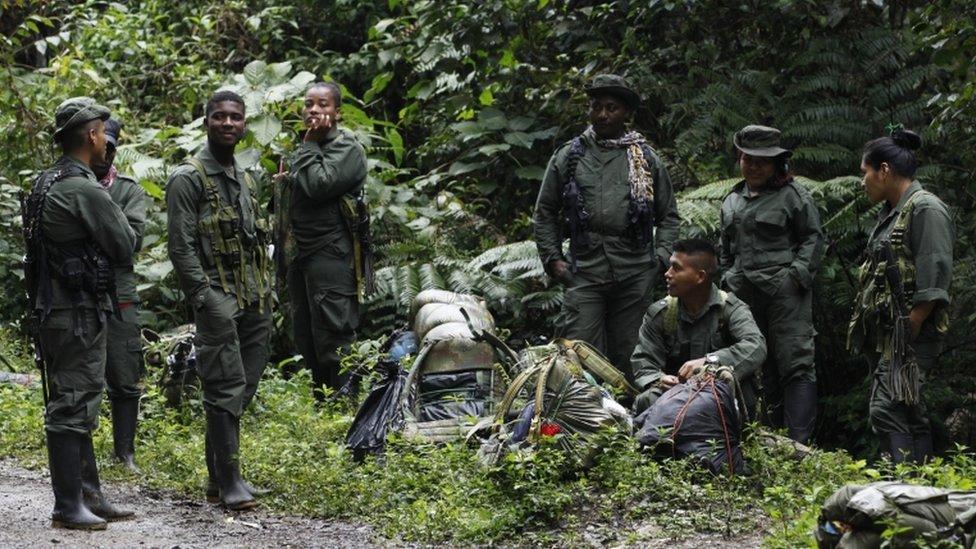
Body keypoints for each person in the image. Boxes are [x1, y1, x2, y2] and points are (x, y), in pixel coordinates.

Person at [22, 97, 136, 529]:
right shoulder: (83, 188)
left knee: (76, 399)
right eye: (104, 131)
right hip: (76, 312)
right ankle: (68, 506)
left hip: (55, 308)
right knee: (73, 403)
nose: (107, 140)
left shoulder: (45, 181)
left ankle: (90, 495)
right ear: (92, 135)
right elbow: (124, 244)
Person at [533, 74, 680, 382]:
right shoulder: (569, 155)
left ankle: (634, 418)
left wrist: (661, 260)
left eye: (611, 108)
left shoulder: (645, 158)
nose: (602, 114)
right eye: (596, 107)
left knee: (632, 349)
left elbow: (668, 215)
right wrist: (553, 259)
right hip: (585, 266)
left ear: (626, 114)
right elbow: (545, 211)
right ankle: (587, 419)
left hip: (635, 268)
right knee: (578, 348)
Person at [166, 90, 273, 510]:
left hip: (254, 297)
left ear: (244, 124)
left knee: (243, 384)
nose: (228, 124)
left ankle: (218, 478)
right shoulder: (187, 178)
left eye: (235, 118)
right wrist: (204, 297)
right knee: (223, 385)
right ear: (206, 121)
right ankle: (229, 481)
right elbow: (181, 245)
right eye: (219, 117)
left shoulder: (246, 177)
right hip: (217, 298)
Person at [848, 129, 953, 464]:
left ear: (884, 170)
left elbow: (935, 269)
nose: (862, 182)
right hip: (893, 330)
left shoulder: (926, 209)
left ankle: (902, 483)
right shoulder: (893, 212)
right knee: (908, 407)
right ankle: (922, 482)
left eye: (865, 173)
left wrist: (915, 320)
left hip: (909, 331)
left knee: (886, 407)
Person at [719, 124, 824, 443]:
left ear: (776, 163)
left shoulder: (793, 196)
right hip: (743, 296)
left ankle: (799, 444)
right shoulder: (732, 199)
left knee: (795, 364)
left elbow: (814, 237)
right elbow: (725, 246)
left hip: (785, 294)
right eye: (747, 159)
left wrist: (797, 275)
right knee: (756, 366)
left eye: (761, 161)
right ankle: (768, 440)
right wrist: (725, 278)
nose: (753, 166)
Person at [275, 81, 368, 401]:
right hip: (302, 254)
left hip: (331, 252)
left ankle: (346, 404)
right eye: (309, 104)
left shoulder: (347, 149)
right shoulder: (306, 147)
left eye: (323, 104)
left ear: (337, 112)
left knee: (335, 330)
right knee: (306, 333)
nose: (314, 110)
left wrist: (310, 145)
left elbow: (319, 184)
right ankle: (322, 399)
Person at [631, 239, 766, 416]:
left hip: (720, 397)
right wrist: (659, 379)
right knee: (647, 399)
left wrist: (710, 361)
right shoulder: (661, 313)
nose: (668, 274)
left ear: (700, 277)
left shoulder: (730, 309)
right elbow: (644, 360)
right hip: (675, 398)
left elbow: (756, 346)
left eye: (676, 268)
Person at [90, 117, 148, 472]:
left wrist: (99, 211)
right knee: (81, 376)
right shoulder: (69, 185)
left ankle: (124, 452)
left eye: (111, 146)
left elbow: (132, 242)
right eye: (100, 144)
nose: (104, 153)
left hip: (120, 293)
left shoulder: (127, 190)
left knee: (125, 373)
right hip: (80, 291)